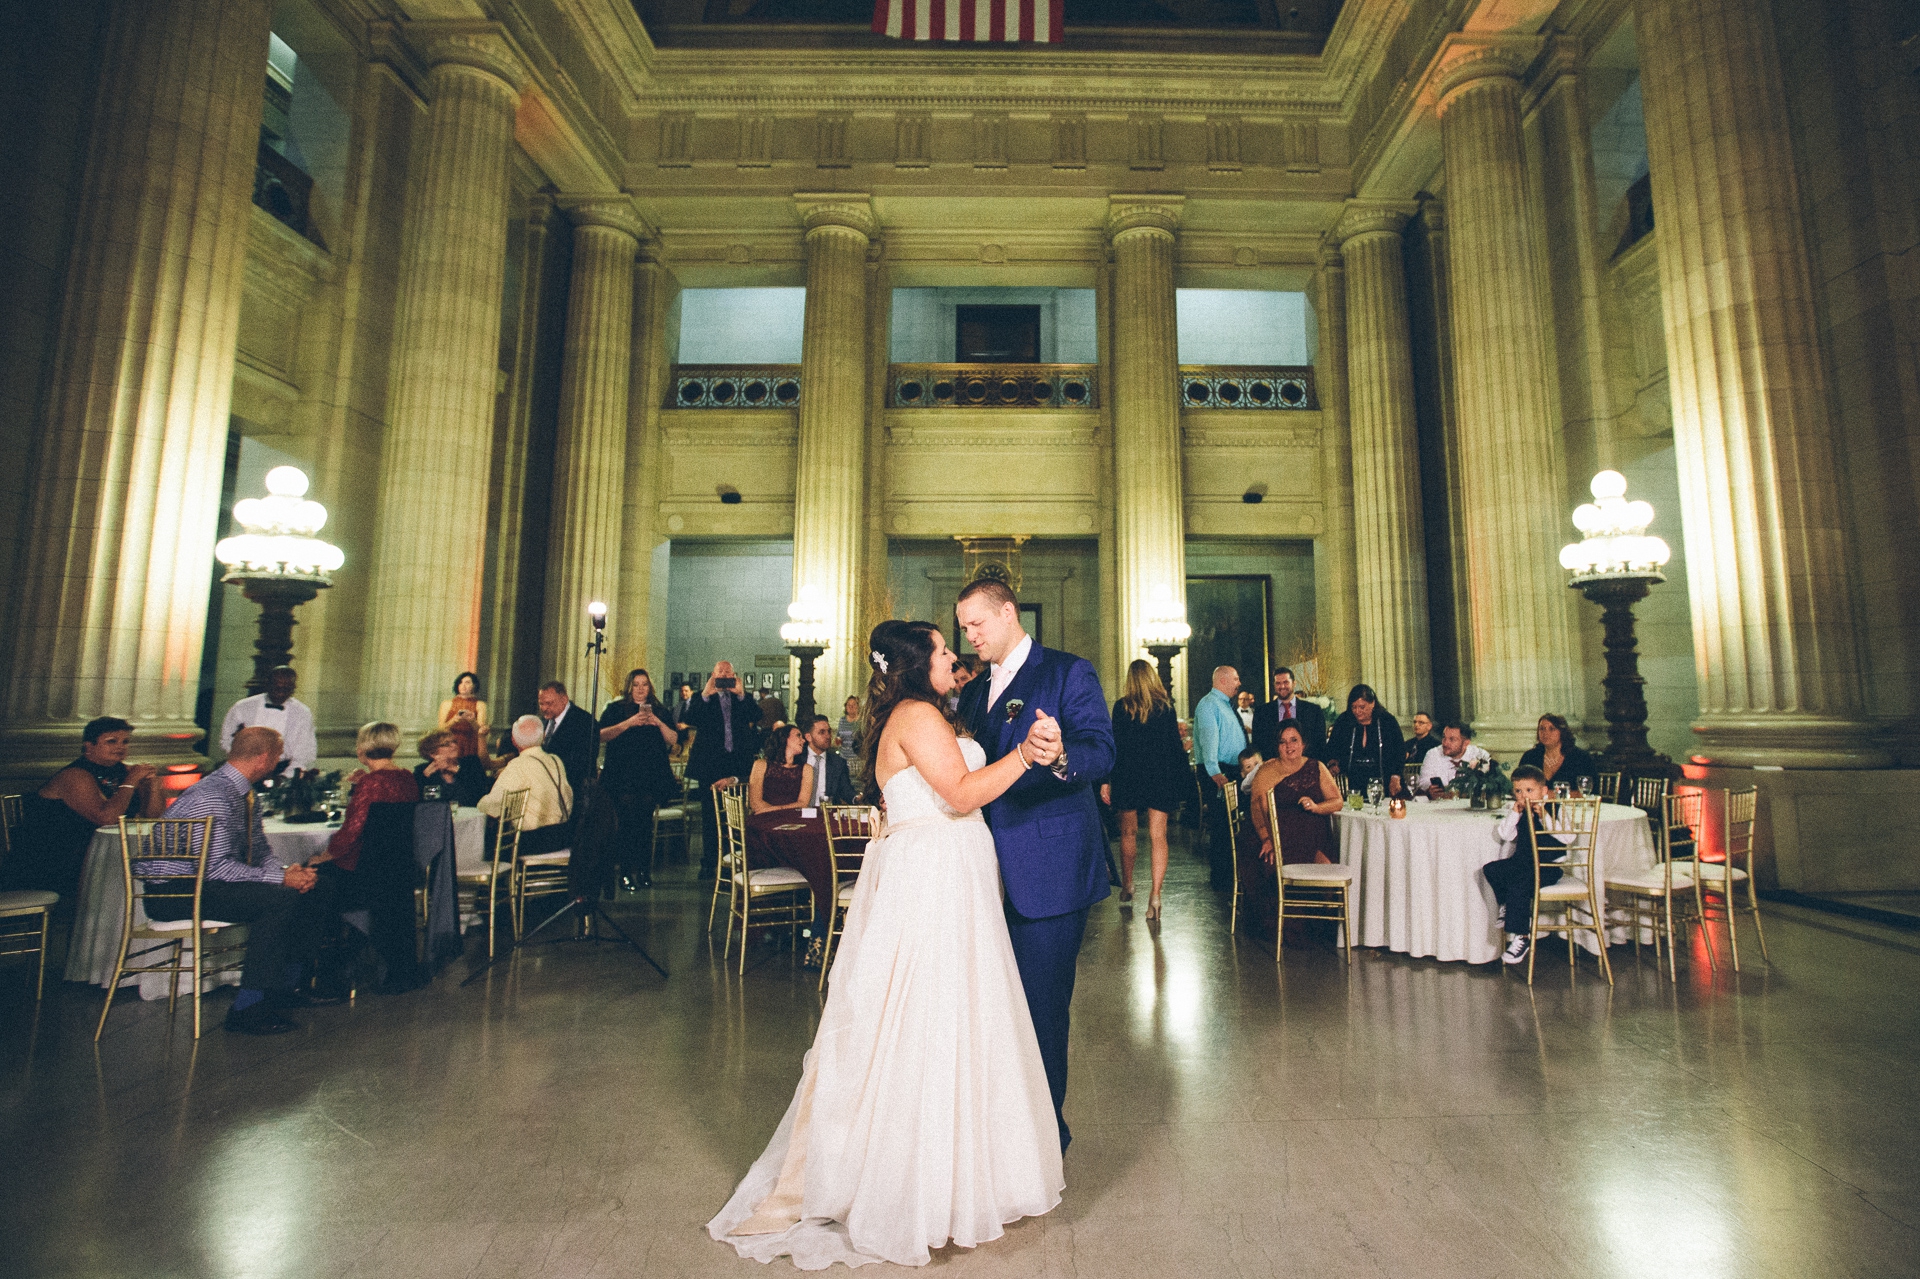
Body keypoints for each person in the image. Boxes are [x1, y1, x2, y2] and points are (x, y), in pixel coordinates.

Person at [710, 619, 1067, 1267]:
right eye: (941, 648)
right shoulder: (915, 715)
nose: (953, 655)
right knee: (925, 1022)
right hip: (932, 881)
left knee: (946, 1021)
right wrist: (1023, 756)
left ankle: (952, 1177)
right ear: (915, 663)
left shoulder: (923, 716)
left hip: (943, 877)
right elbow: (959, 795)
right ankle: (915, 1185)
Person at [953, 578, 1113, 1152]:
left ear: (1009, 612)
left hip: (1047, 872)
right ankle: (1001, 1130)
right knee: (993, 1009)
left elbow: (1101, 749)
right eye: (963, 627)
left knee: (1042, 1008)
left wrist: (1062, 756)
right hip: (981, 874)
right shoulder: (973, 693)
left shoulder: (1068, 672)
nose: (969, 636)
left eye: (977, 624)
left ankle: (1046, 1138)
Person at [136, 727, 337, 1034]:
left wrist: (290, 874)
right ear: (264, 758)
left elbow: (257, 851)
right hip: (173, 892)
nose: (281, 760)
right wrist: (281, 879)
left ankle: (286, 987)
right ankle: (248, 1007)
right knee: (279, 899)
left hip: (204, 882)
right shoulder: (213, 795)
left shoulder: (243, 792)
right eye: (279, 754)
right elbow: (214, 868)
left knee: (318, 888)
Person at [306, 721, 426, 994]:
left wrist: (322, 856)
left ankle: (325, 966)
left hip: (368, 871)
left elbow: (352, 831)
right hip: (398, 868)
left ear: (362, 751)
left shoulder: (371, 784)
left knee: (312, 878)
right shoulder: (407, 778)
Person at [0, 717, 163, 900]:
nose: (120, 747)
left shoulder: (125, 773)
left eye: (125, 742)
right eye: (111, 741)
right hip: (56, 858)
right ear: (88, 746)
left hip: (100, 851)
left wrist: (154, 785)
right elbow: (106, 818)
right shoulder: (74, 775)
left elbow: (153, 817)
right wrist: (131, 782)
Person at [1100, 659, 1187, 919]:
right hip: (1160, 776)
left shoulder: (1121, 707)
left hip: (1128, 775)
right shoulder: (1166, 708)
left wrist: (1106, 780)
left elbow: (1112, 746)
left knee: (1128, 833)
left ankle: (1128, 885)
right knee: (1158, 836)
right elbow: (1175, 747)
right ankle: (1156, 895)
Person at [1242, 722, 1343, 943]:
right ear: (1277, 747)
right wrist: (1266, 838)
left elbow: (1337, 801)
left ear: (1303, 743)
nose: (1289, 747)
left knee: (1327, 869)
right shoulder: (1266, 770)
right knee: (1269, 863)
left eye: (1294, 740)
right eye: (1283, 742)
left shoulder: (1316, 766)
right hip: (1276, 836)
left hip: (1312, 834)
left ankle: (1320, 927)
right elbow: (1256, 810)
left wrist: (1316, 807)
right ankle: (1288, 926)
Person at [597, 668, 681, 889]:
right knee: (625, 824)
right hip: (622, 774)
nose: (640, 689)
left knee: (645, 825)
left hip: (649, 774)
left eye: (644, 684)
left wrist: (658, 723)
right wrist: (630, 722)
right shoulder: (615, 709)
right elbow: (601, 735)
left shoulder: (660, 711)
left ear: (649, 687)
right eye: (636, 684)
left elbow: (674, 739)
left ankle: (643, 870)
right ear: (629, 686)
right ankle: (625, 872)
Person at [1483, 764, 1569, 966]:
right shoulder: (1521, 811)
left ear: (1543, 791)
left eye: (1529, 790)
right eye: (1519, 791)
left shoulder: (1554, 808)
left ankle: (1522, 936)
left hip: (1547, 867)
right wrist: (1515, 813)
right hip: (1523, 863)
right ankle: (1505, 904)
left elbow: (1567, 837)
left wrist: (1543, 816)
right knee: (1492, 869)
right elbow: (1506, 835)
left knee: (1518, 885)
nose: (1524, 796)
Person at [686, 661, 763, 868]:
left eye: (728, 672)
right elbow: (690, 718)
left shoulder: (743, 699)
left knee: (737, 815)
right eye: (720, 672)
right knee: (710, 817)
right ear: (712, 675)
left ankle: (735, 861)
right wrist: (705, 694)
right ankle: (710, 862)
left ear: (734, 675)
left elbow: (757, 716)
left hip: (737, 765)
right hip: (709, 765)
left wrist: (740, 694)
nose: (724, 675)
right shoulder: (701, 698)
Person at [478, 715, 574, 856]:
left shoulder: (517, 765)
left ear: (514, 741)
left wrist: (479, 805)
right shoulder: (555, 760)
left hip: (533, 841)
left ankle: (503, 878)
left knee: (488, 846)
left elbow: (493, 805)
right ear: (543, 737)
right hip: (562, 835)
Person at [1193, 664, 1249, 891]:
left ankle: (1231, 873)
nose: (1239, 683)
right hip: (1219, 772)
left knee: (1231, 826)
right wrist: (1217, 774)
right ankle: (1222, 878)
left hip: (1231, 771)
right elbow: (1209, 742)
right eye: (1235, 679)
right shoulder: (1209, 705)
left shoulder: (1225, 705)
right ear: (1223, 680)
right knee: (1222, 826)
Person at [219, 666, 317, 774]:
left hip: (283, 770)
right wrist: (243, 762)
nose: (280, 693)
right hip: (244, 768)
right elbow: (226, 739)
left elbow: (305, 752)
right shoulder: (243, 707)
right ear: (268, 684)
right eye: (277, 687)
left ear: (293, 688)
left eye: (286, 689)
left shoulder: (302, 713)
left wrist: (286, 777)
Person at [1326, 683, 1405, 798]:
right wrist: (1333, 763)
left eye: (1362, 707)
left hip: (1384, 783)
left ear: (1372, 703)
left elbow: (1399, 751)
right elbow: (1332, 748)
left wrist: (1396, 776)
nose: (1357, 711)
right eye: (1354, 707)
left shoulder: (1387, 721)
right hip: (1354, 783)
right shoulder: (1344, 721)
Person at [1251, 666, 1329, 761]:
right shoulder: (1262, 712)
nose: (1282, 686)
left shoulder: (1313, 710)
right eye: (1278, 683)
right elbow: (1257, 745)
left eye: (1286, 682)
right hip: (1274, 768)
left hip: (1305, 767)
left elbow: (1320, 744)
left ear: (1294, 683)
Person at [536, 681, 595, 792]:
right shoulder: (542, 721)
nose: (544, 708)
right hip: (543, 787)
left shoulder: (585, 722)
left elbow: (580, 765)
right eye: (541, 704)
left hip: (570, 791)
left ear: (564, 700)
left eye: (549, 703)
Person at [1518, 713, 1601, 788]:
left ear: (1562, 732)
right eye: (1542, 729)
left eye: (1552, 729)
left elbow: (1589, 790)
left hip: (1572, 804)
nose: (1545, 733)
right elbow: (1519, 786)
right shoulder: (1530, 757)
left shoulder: (1580, 757)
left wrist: (1550, 795)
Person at [749, 723, 813, 818]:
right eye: (798, 735)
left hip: (793, 818)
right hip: (764, 817)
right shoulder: (761, 765)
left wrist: (776, 810)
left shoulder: (806, 769)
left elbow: (803, 803)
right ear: (784, 738)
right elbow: (755, 803)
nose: (803, 740)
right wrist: (776, 814)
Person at [414, 730, 489, 808]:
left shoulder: (471, 763)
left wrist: (453, 768)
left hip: (471, 815)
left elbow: (480, 793)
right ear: (433, 753)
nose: (454, 745)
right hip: (440, 818)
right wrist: (425, 778)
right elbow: (424, 803)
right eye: (447, 744)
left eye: (454, 741)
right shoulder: (422, 771)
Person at [1417, 720, 1492, 794]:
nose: (1445, 743)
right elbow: (1423, 782)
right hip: (1441, 803)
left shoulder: (1480, 755)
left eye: (1452, 739)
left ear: (1466, 743)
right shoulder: (1433, 754)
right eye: (1444, 737)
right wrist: (1431, 790)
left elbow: (1491, 783)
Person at [803, 714, 857, 807]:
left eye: (829, 731)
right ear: (808, 737)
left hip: (828, 813)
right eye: (822, 732)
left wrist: (857, 798)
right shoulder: (799, 760)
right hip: (801, 813)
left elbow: (846, 791)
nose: (828, 736)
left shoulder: (838, 762)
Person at [436, 671, 491, 742]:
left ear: (474, 685)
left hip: (471, 742)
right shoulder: (446, 704)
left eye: (467, 682)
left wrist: (472, 721)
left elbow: (481, 731)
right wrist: (454, 720)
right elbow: (440, 729)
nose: (463, 685)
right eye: (460, 682)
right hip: (450, 742)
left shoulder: (480, 705)